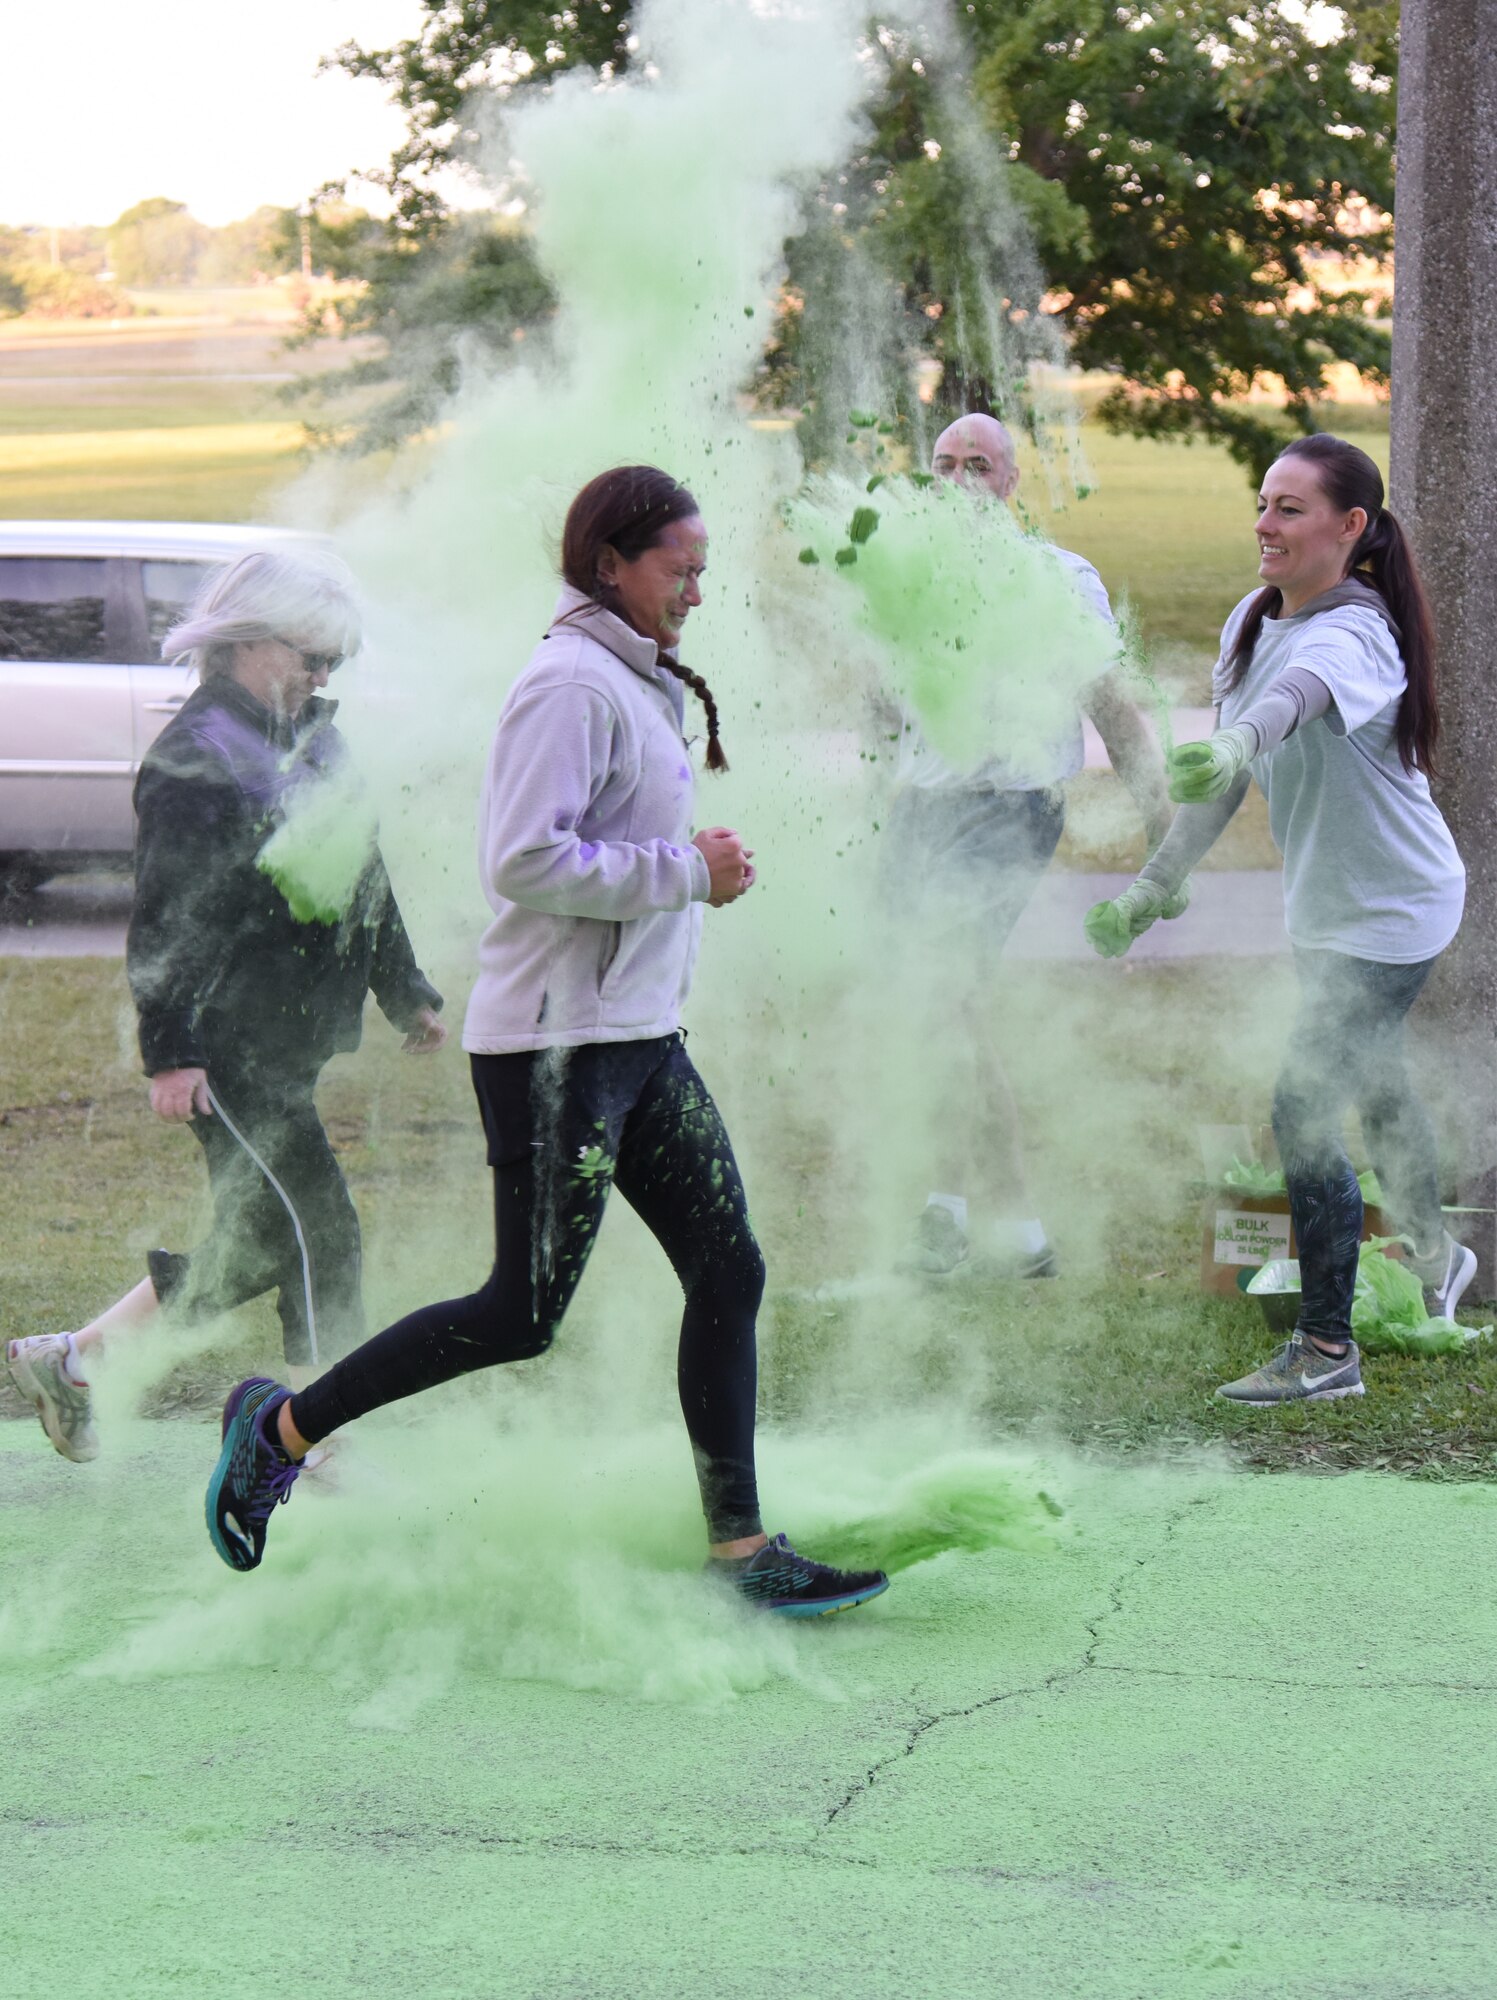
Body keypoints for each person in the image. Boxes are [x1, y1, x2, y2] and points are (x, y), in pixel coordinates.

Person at [203, 466, 890, 1619]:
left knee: (730, 1268)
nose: (697, 592)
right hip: (557, 1050)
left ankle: (741, 1551)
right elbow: (522, 859)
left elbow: (607, 840)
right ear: (611, 563)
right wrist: (686, 874)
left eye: (703, 571)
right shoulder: (569, 684)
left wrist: (685, 866)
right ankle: (277, 1428)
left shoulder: (634, 676)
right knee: (520, 1314)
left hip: (638, 1039)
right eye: (681, 569)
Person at [4, 545, 446, 1462]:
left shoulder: (314, 735)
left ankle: (71, 1361)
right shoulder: (193, 760)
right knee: (319, 1233)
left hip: (288, 1042)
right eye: (308, 655)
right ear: (246, 641)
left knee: (258, 1240)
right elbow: (168, 918)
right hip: (226, 1049)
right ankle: (321, 1444)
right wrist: (170, 1050)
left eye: (335, 661)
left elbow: (360, 869)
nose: (323, 675)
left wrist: (404, 990)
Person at [1085, 432, 1473, 1403]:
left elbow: (1290, 709)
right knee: (1375, 1078)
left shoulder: (1358, 633)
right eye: (1263, 503)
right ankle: (1437, 1256)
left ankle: (1328, 1348)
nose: (1265, 523)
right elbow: (1225, 777)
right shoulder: (1253, 621)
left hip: (1395, 909)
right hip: (1328, 909)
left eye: (1290, 509)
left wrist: (1242, 736)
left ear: (1350, 527)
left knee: (1303, 1104)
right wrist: (1154, 882)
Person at [887, 412, 1173, 1278]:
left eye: (979, 464)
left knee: (943, 998)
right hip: (920, 812)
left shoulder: (1058, 577)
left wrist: (1162, 819)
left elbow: (1111, 706)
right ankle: (1008, 1233)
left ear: (1011, 483)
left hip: (1010, 809)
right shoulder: (902, 575)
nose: (960, 479)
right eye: (943, 464)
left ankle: (964, 1217)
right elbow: (882, 711)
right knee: (936, 1012)